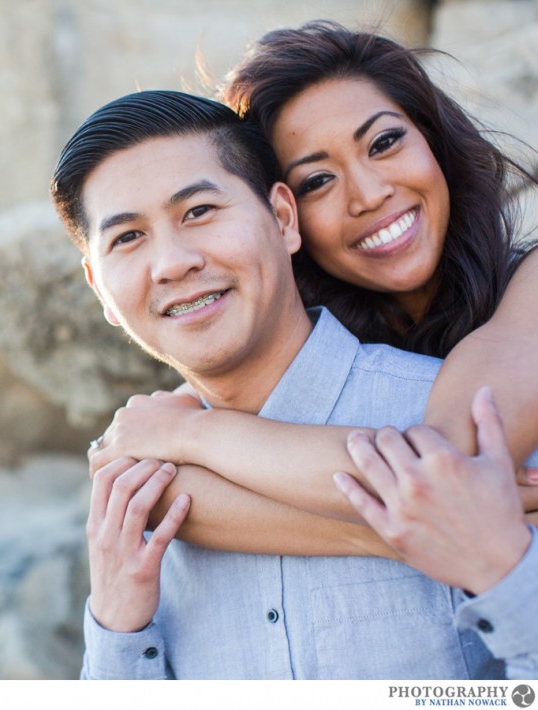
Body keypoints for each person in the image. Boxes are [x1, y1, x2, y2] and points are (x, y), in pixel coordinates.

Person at [50, 89, 538, 678]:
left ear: (283, 218)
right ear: (99, 288)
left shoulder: (486, 428)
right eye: (127, 238)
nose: (172, 262)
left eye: (199, 212)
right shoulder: (136, 493)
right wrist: (118, 630)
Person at [87, 21, 538, 559]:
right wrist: (394, 537)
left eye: (385, 142)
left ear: (435, 141)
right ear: (282, 218)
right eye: (317, 181)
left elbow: (443, 471)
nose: (369, 195)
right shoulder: (315, 352)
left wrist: (195, 437)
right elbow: (162, 499)